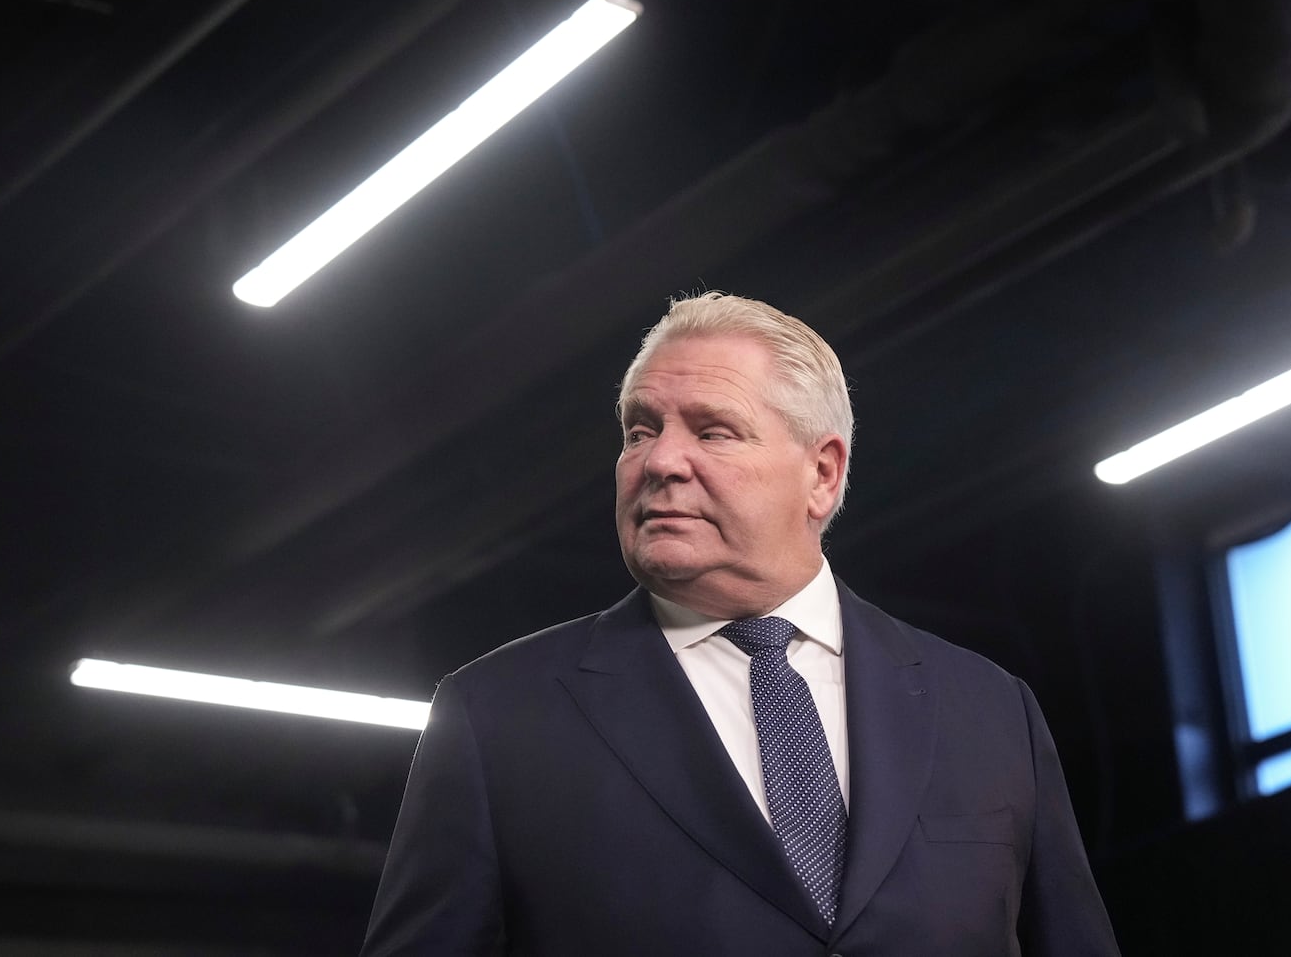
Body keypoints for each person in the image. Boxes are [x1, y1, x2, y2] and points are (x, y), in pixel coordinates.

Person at [360, 292, 1120, 956]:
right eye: (639, 429)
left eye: (713, 430)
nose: (660, 460)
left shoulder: (989, 710)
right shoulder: (498, 717)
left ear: (822, 473)